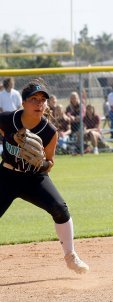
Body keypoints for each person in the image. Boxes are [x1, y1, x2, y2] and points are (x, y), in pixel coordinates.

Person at [0, 79, 89, 274]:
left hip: (33, 178)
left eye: (42, 100)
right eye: (34, 99)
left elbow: (50, 164)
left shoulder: (49, 131)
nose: (39, 104)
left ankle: (71, 257)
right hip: (6, 176)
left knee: (60, 209)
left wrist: (41, 162)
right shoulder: (7, 119)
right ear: (23, 102)